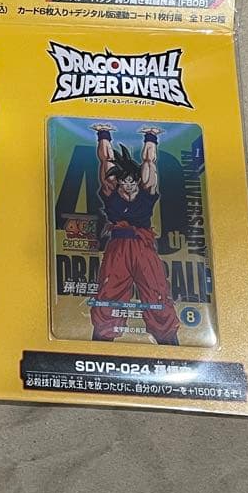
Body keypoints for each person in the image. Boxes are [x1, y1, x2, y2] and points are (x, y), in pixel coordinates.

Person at [90, 124, 179, 345]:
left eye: (132, 181)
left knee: (156, 292)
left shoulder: (146, 191)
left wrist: (151, 138)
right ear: (119, 181)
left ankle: (169, 343)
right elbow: (106, 161)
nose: (128, 185)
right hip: (118, 249)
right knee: (109, 294)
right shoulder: (111, 192)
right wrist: (103, 135)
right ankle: (101, 343)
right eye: (124, 181)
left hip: (142, 247)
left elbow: (149, 162)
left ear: (137, 180)